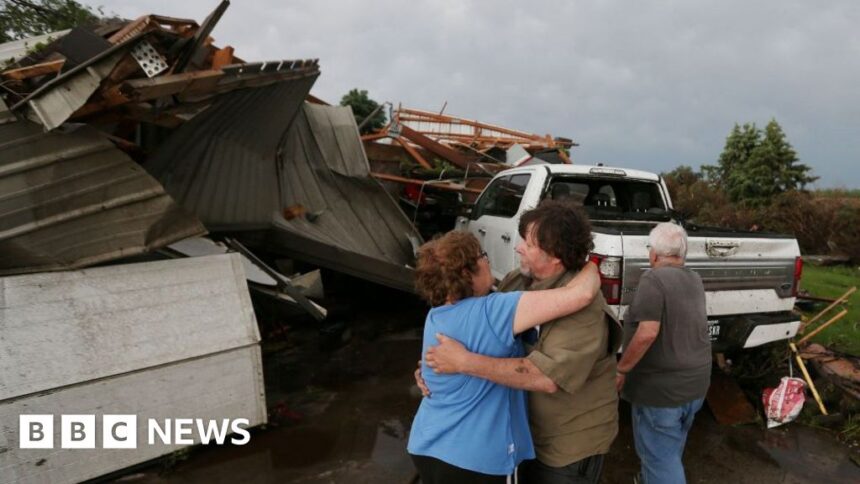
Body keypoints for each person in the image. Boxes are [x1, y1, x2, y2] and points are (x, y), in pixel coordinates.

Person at [421, 201, 621, 484]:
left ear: (555, 256)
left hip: (566, 447)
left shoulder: (584, 312)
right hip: (524, 438)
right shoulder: (518, 281)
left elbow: (546, 377)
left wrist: (463, 363)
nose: (518, 247)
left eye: (528, 243)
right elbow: (475, 328)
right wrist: (431, 368)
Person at [615, 222, 711, 484]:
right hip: (695, 387)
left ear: (654, 254)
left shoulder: (653, 279)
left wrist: (621, 369)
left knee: (661, 460)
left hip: (662, 393)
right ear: (682, 254)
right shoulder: (694, 279)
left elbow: (647, 333)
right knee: (669, 451)